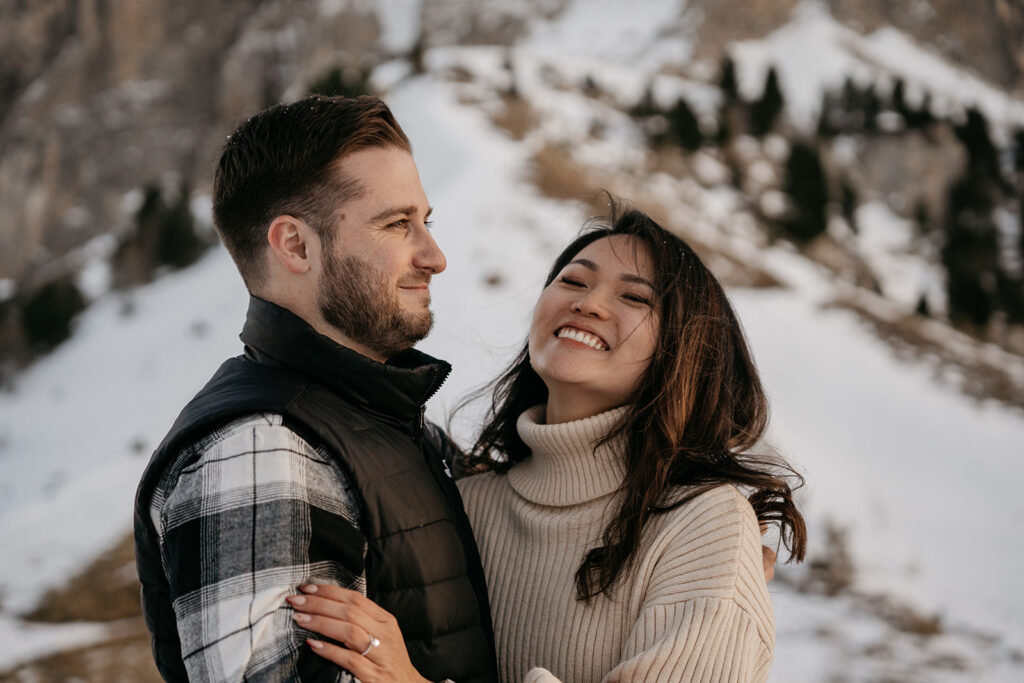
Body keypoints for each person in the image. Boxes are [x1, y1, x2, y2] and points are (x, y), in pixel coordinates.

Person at [290, 207, 806, 682]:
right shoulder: (466, 502)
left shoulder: (702, 523)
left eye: (633, 297)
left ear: (682, 351)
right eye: (573, 280)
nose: (588, 303)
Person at [132, 95, 497, 683]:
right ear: (295, 245)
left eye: (427, 223)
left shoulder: (389, 422)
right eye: (398, 224)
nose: (435, 256)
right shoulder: (259, 450)